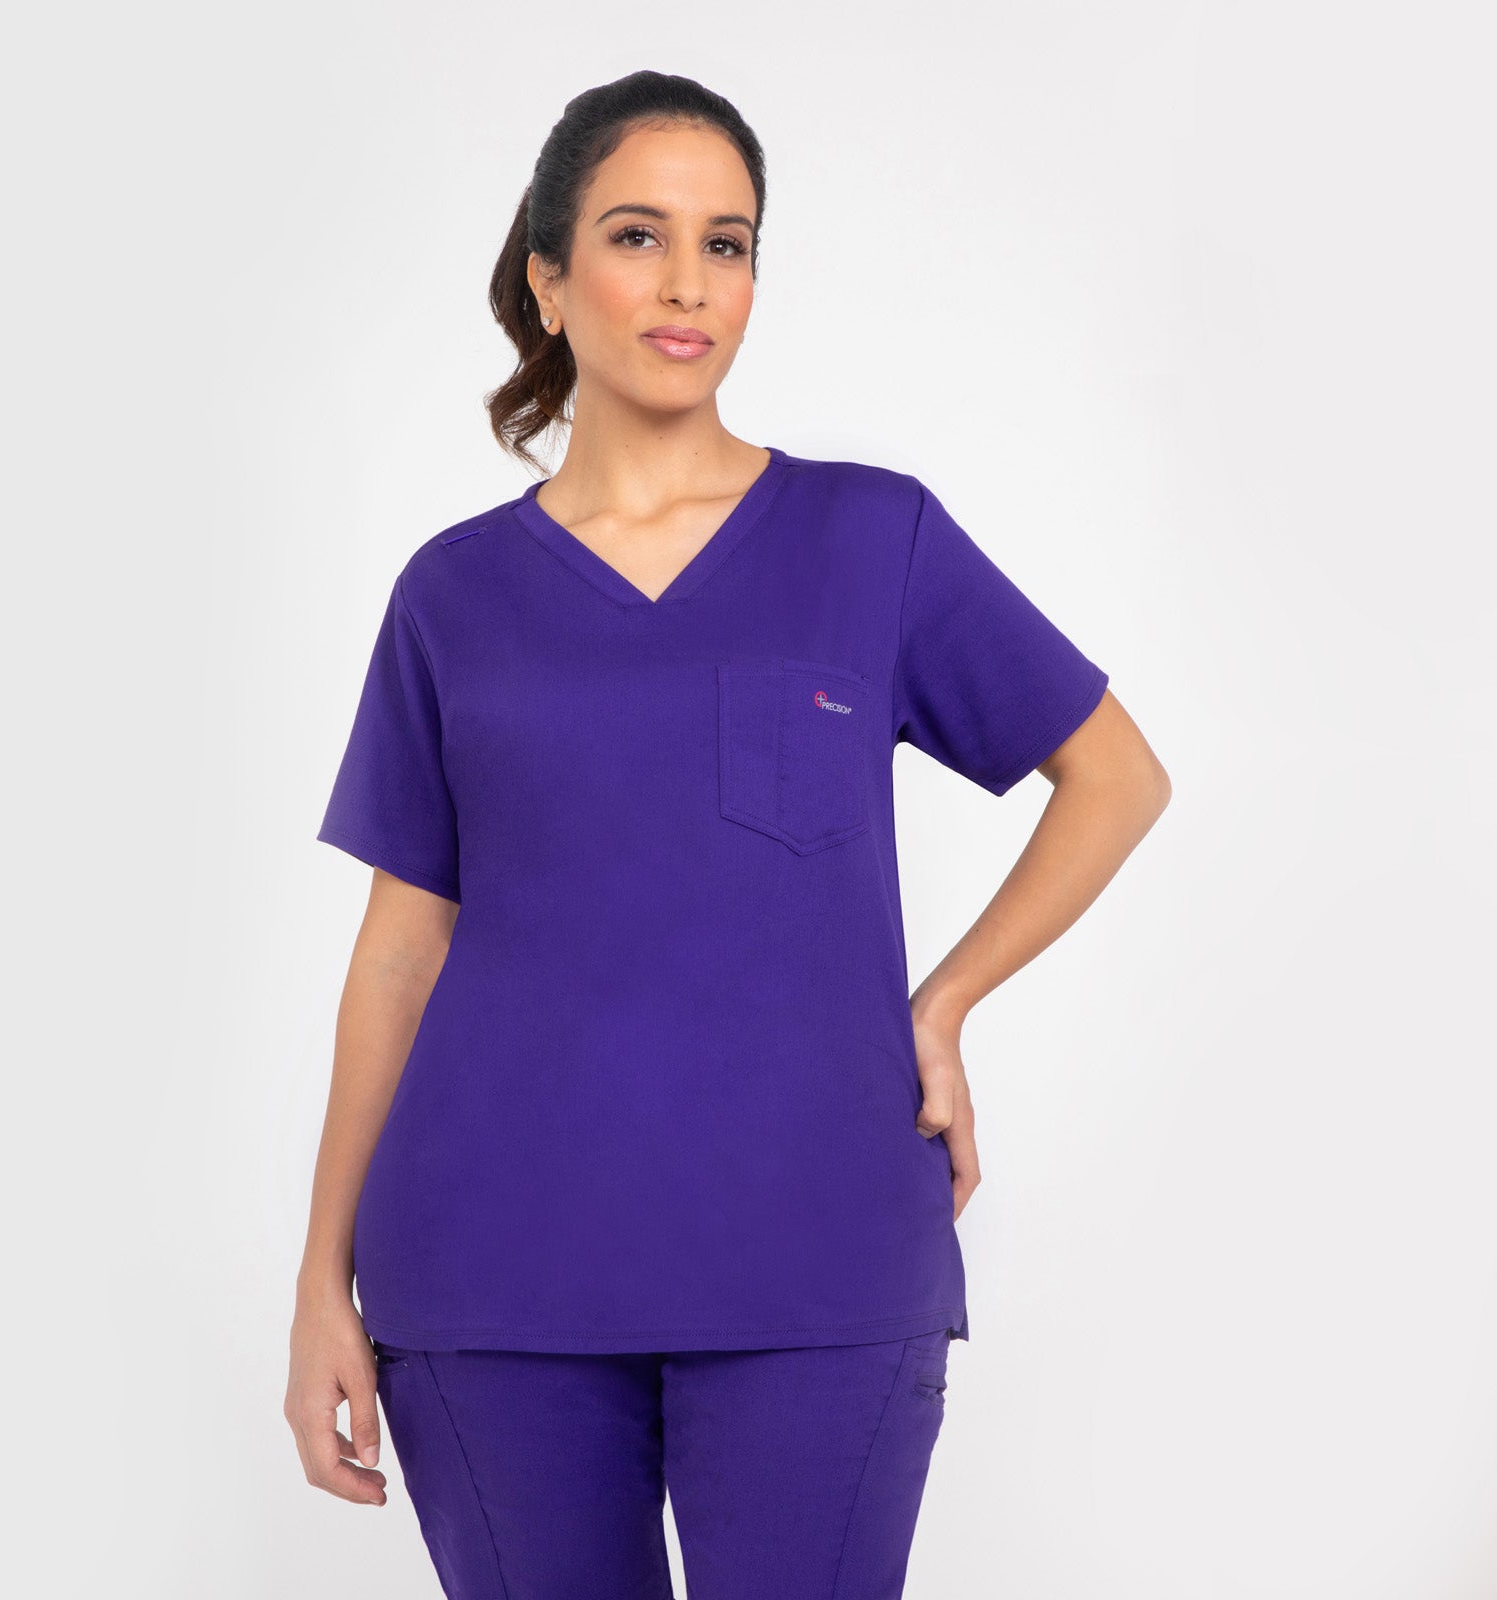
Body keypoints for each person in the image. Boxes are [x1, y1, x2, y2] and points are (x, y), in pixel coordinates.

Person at [285, 68, 1170, 1599]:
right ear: (548, 279)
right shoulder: (454, 596)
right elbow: (400, 952)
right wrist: (319, 1278)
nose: (689, 282)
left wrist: (944, 1007)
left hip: (817, 1254)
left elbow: (1114, 777)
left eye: (729, 242)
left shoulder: (871, 539)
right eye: (638, 236)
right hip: (489, 1277)